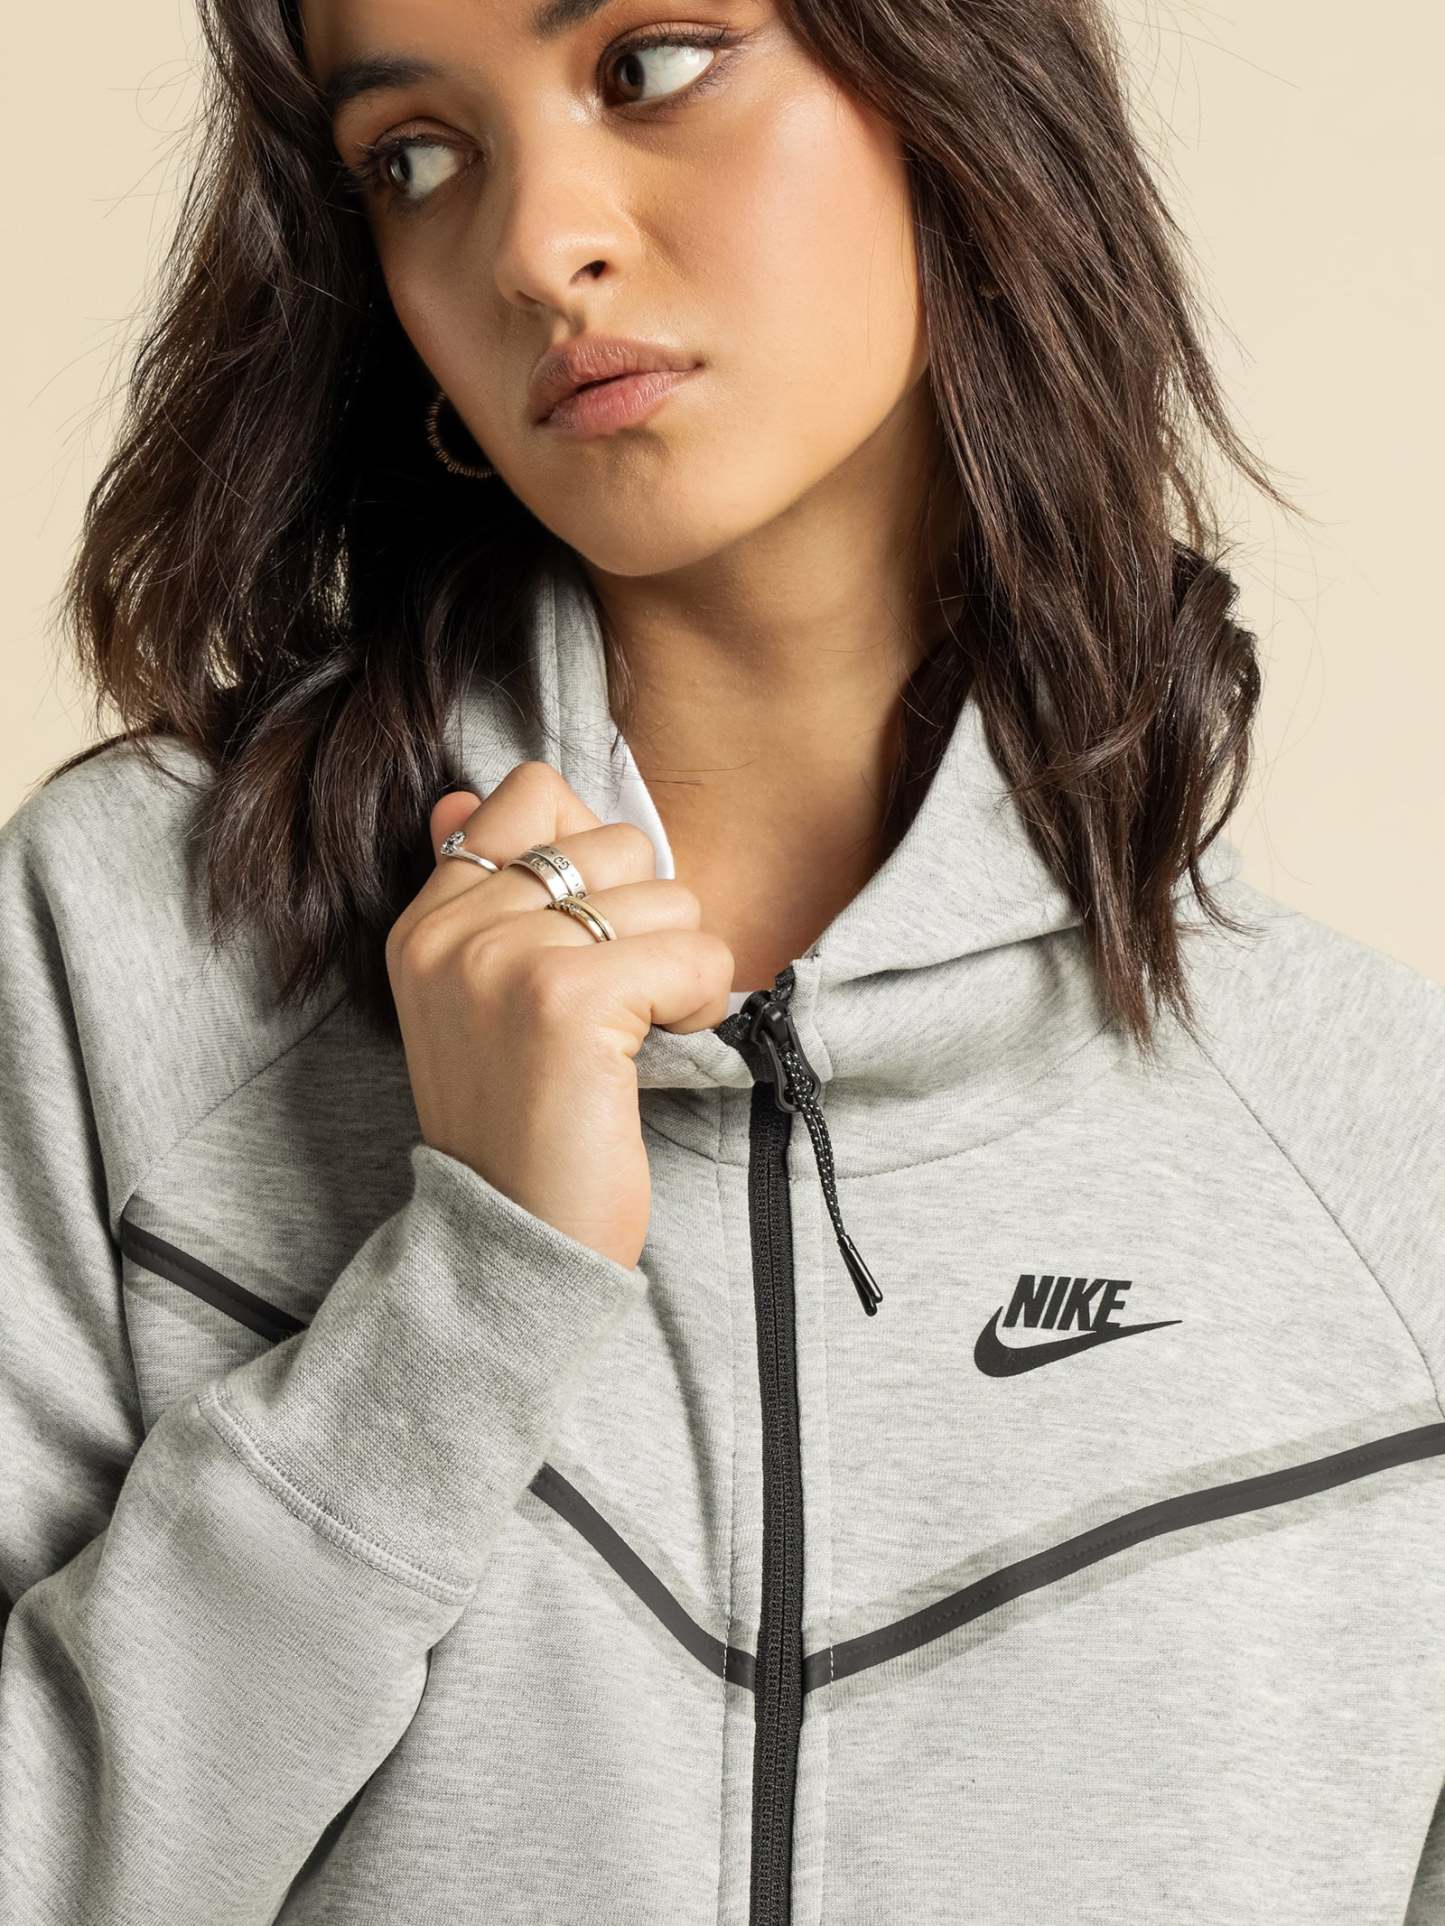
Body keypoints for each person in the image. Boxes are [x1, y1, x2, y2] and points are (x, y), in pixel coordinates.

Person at [2, 0, 1442, 1919]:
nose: (534, 248)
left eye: (650, 64)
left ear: (952, 81)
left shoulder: (1380, 1164)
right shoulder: (135, 946)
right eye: (413, 158)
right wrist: (466, 1300)